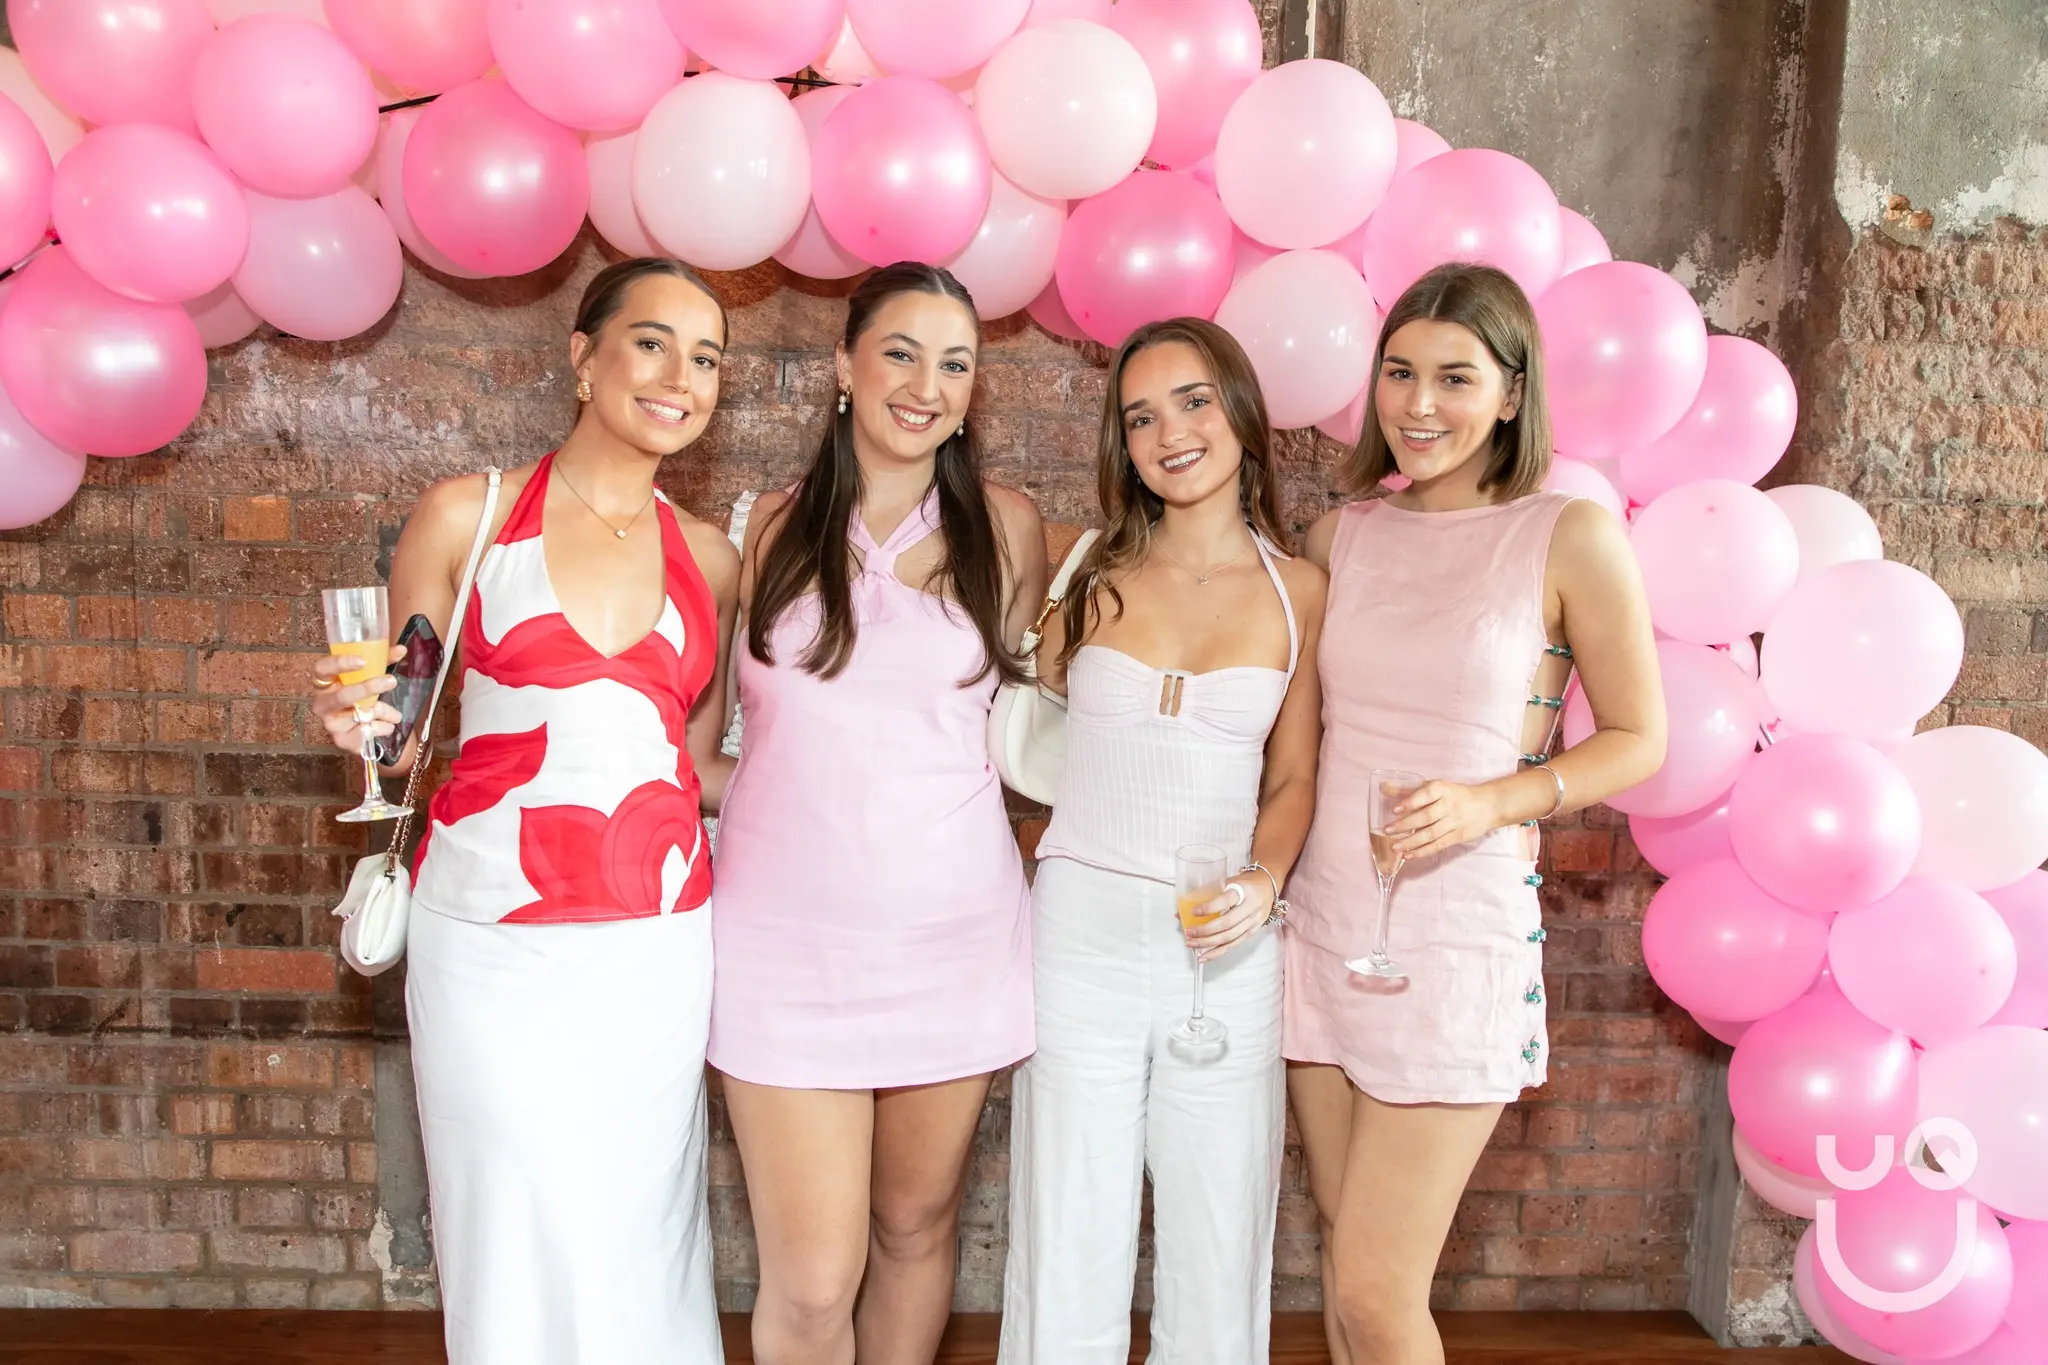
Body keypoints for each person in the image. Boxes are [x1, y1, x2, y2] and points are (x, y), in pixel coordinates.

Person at [308, 258, 740, 1364]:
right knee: (505, 1207)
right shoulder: (470, 515)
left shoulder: (712, 559)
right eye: (651, 342)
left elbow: (695, 763)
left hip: (652, 942)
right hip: (487, 937)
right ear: (581, 357)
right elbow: (398, 730)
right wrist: (359, 725)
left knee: (642, 1220)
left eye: (705, 359)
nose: (678, 378)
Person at [1283, 263, 1666, 1365]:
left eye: (1454, 377)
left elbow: (1640, 737)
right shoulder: (1337, 537)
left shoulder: (1566, 534)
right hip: (1324, 924)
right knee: (1347, 1272)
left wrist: (1493, 800)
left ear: (1510, 393)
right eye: (1398, 373)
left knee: (1372, 1289)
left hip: (1454, 938)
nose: (1417, 404)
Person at [707, 262, 1049, 1365]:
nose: (926, 384)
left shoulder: (1008, 528)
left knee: (912, 1228)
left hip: (951, 937)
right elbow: (700, 746)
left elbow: (1029, 742)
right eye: (899, 352)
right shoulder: (762, 528)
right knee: (808, 1281)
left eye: (955, 364)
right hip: (780, 947)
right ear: (843, 370)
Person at [998, 319, 1326, 1365]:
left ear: (1238, 410)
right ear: (1120, 445)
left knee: (1219, 1226)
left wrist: (1264, 879)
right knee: (1067, 1215)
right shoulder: (1087, 566)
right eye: (1140, 417)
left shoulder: (1297, 591)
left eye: (1190, 401)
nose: (1169, 433)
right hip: (1079, 928)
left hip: (1222, 947)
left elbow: (1294, 776)